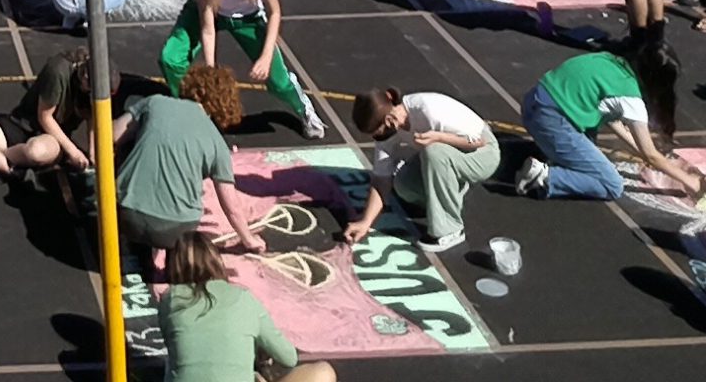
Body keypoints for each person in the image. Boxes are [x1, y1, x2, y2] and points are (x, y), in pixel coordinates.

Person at [160, 0, 323, 138]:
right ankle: (189, 110)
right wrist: (211, 71)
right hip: (213, 14)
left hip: (248, 19)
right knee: (171, 57)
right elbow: (207, 26)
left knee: (278, 81)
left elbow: (275, 14)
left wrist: (265, 58)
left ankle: (304, 109)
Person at [112, 65, 264, 279]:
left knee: (130, 142)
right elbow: (231, 206)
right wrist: (248, 239)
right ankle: (176, 259)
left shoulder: (155, 103)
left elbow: (111, 135)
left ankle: (138, 246)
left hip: (126, 214)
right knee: (181, 222)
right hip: (176, 229)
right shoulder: (216, 142)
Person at [515, 32, 704, 201]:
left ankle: (555, 156)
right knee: (612, 185)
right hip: (551, 121)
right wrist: (689, 180)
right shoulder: (630, 97)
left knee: (590, 141)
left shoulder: (608, 60)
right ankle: (544, 177)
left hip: (533, 104)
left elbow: (612, 119)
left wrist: (643, 152)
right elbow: (652, 155)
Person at [159, 230, 337, 382]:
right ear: (216, 261)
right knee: (322, 372)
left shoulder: (170, 299)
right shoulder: (243, 298)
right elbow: (289, 358)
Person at [342, 86, 499, 252]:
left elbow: (479, 141)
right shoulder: (389, 130)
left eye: (376, 133)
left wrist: (439, 137)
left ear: (389, 120)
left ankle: (451, 230)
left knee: (434, 152)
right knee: (404, 184)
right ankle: (452, 188)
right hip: (449, 154)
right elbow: (382, 179)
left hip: (483, 154)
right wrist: (365, 222)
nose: (377, 138)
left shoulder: (428, 111)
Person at [0, 45, 93, 181]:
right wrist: (73, 151)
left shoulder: (99, 88)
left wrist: (93, 155)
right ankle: (6, 167)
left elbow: (93, 122)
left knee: (35, 152)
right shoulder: (58, 71)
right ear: (84, 74)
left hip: (51, 139)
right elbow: (45, 117)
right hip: (21, 124)